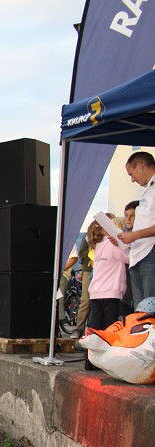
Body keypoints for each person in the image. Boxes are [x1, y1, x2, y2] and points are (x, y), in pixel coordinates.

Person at [87, 218, 130, 369]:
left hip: (96, 291)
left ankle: (90, 361)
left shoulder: (97, 245)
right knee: (109, 327)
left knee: (95, 326)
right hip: (111, 291)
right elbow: (129, 258)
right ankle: (106, 362)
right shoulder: (113, 245)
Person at [117, 151, 155, 308]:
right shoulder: (146, 190)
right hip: (137, 255)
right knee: (140, 310)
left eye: (132, 174)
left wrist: (135, 235)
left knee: (150, 306)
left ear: (140, 166)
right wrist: (123, 236)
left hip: (150, 253)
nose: (132, 180)